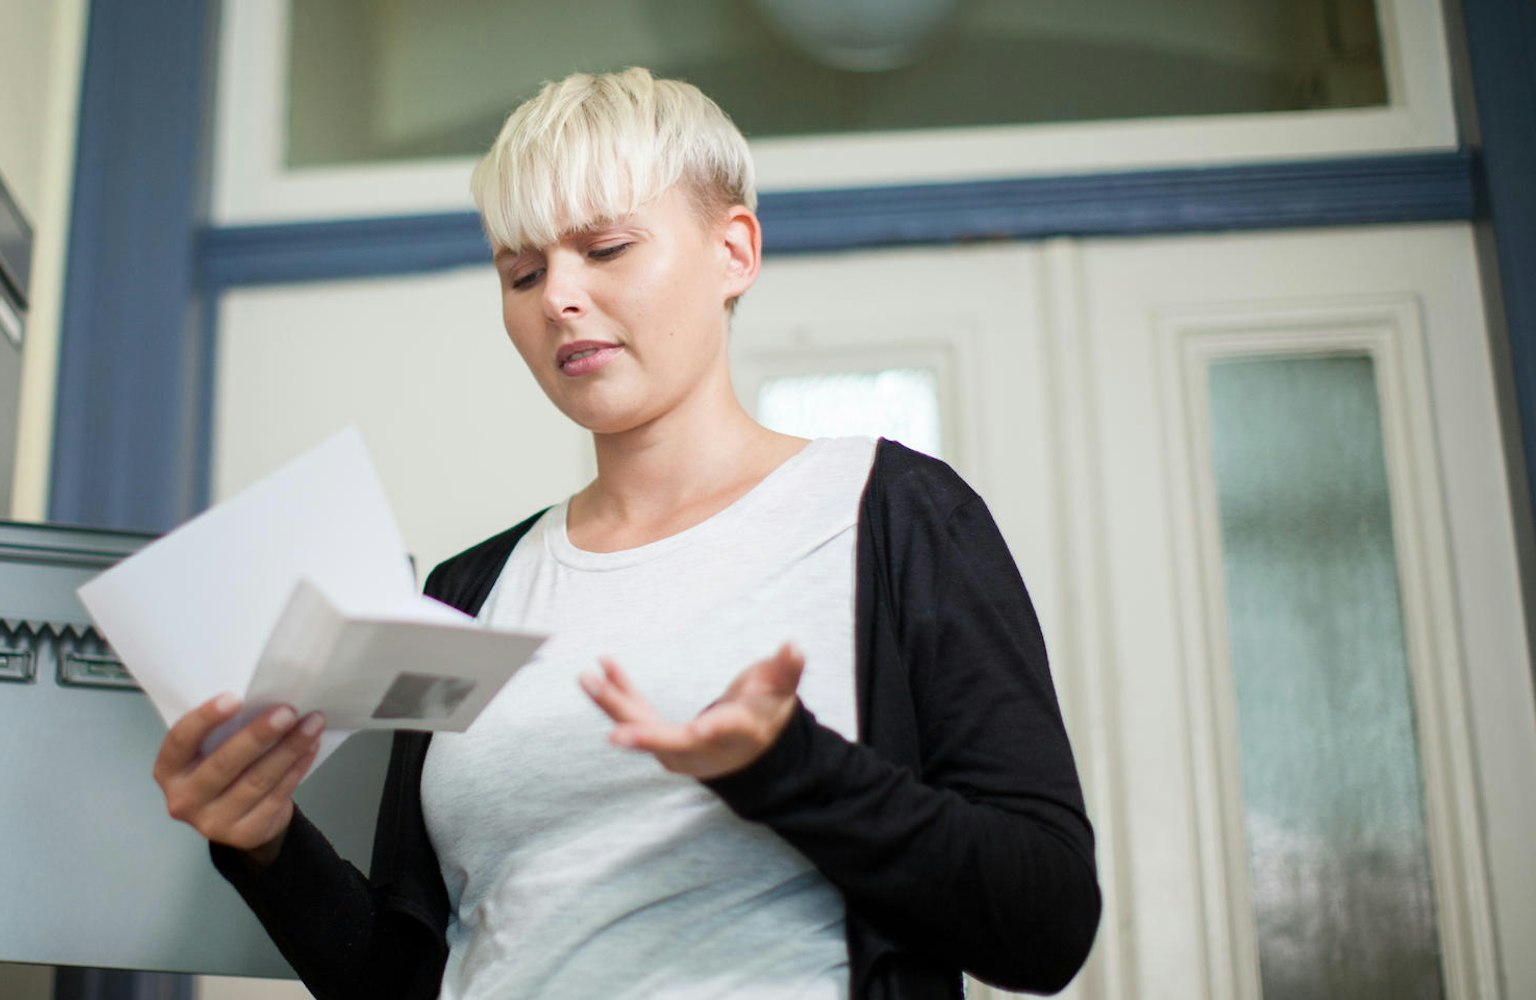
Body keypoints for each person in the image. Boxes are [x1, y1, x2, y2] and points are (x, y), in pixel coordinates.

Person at [152, 67, 1100, 999]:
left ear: (734, 251)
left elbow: (1046, 924)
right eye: (522, 271)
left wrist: (789, 769)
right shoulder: (466, 591)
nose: (557, 296)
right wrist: (266, 845)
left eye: (604, 249)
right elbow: (411, 977)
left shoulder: (892, 514)